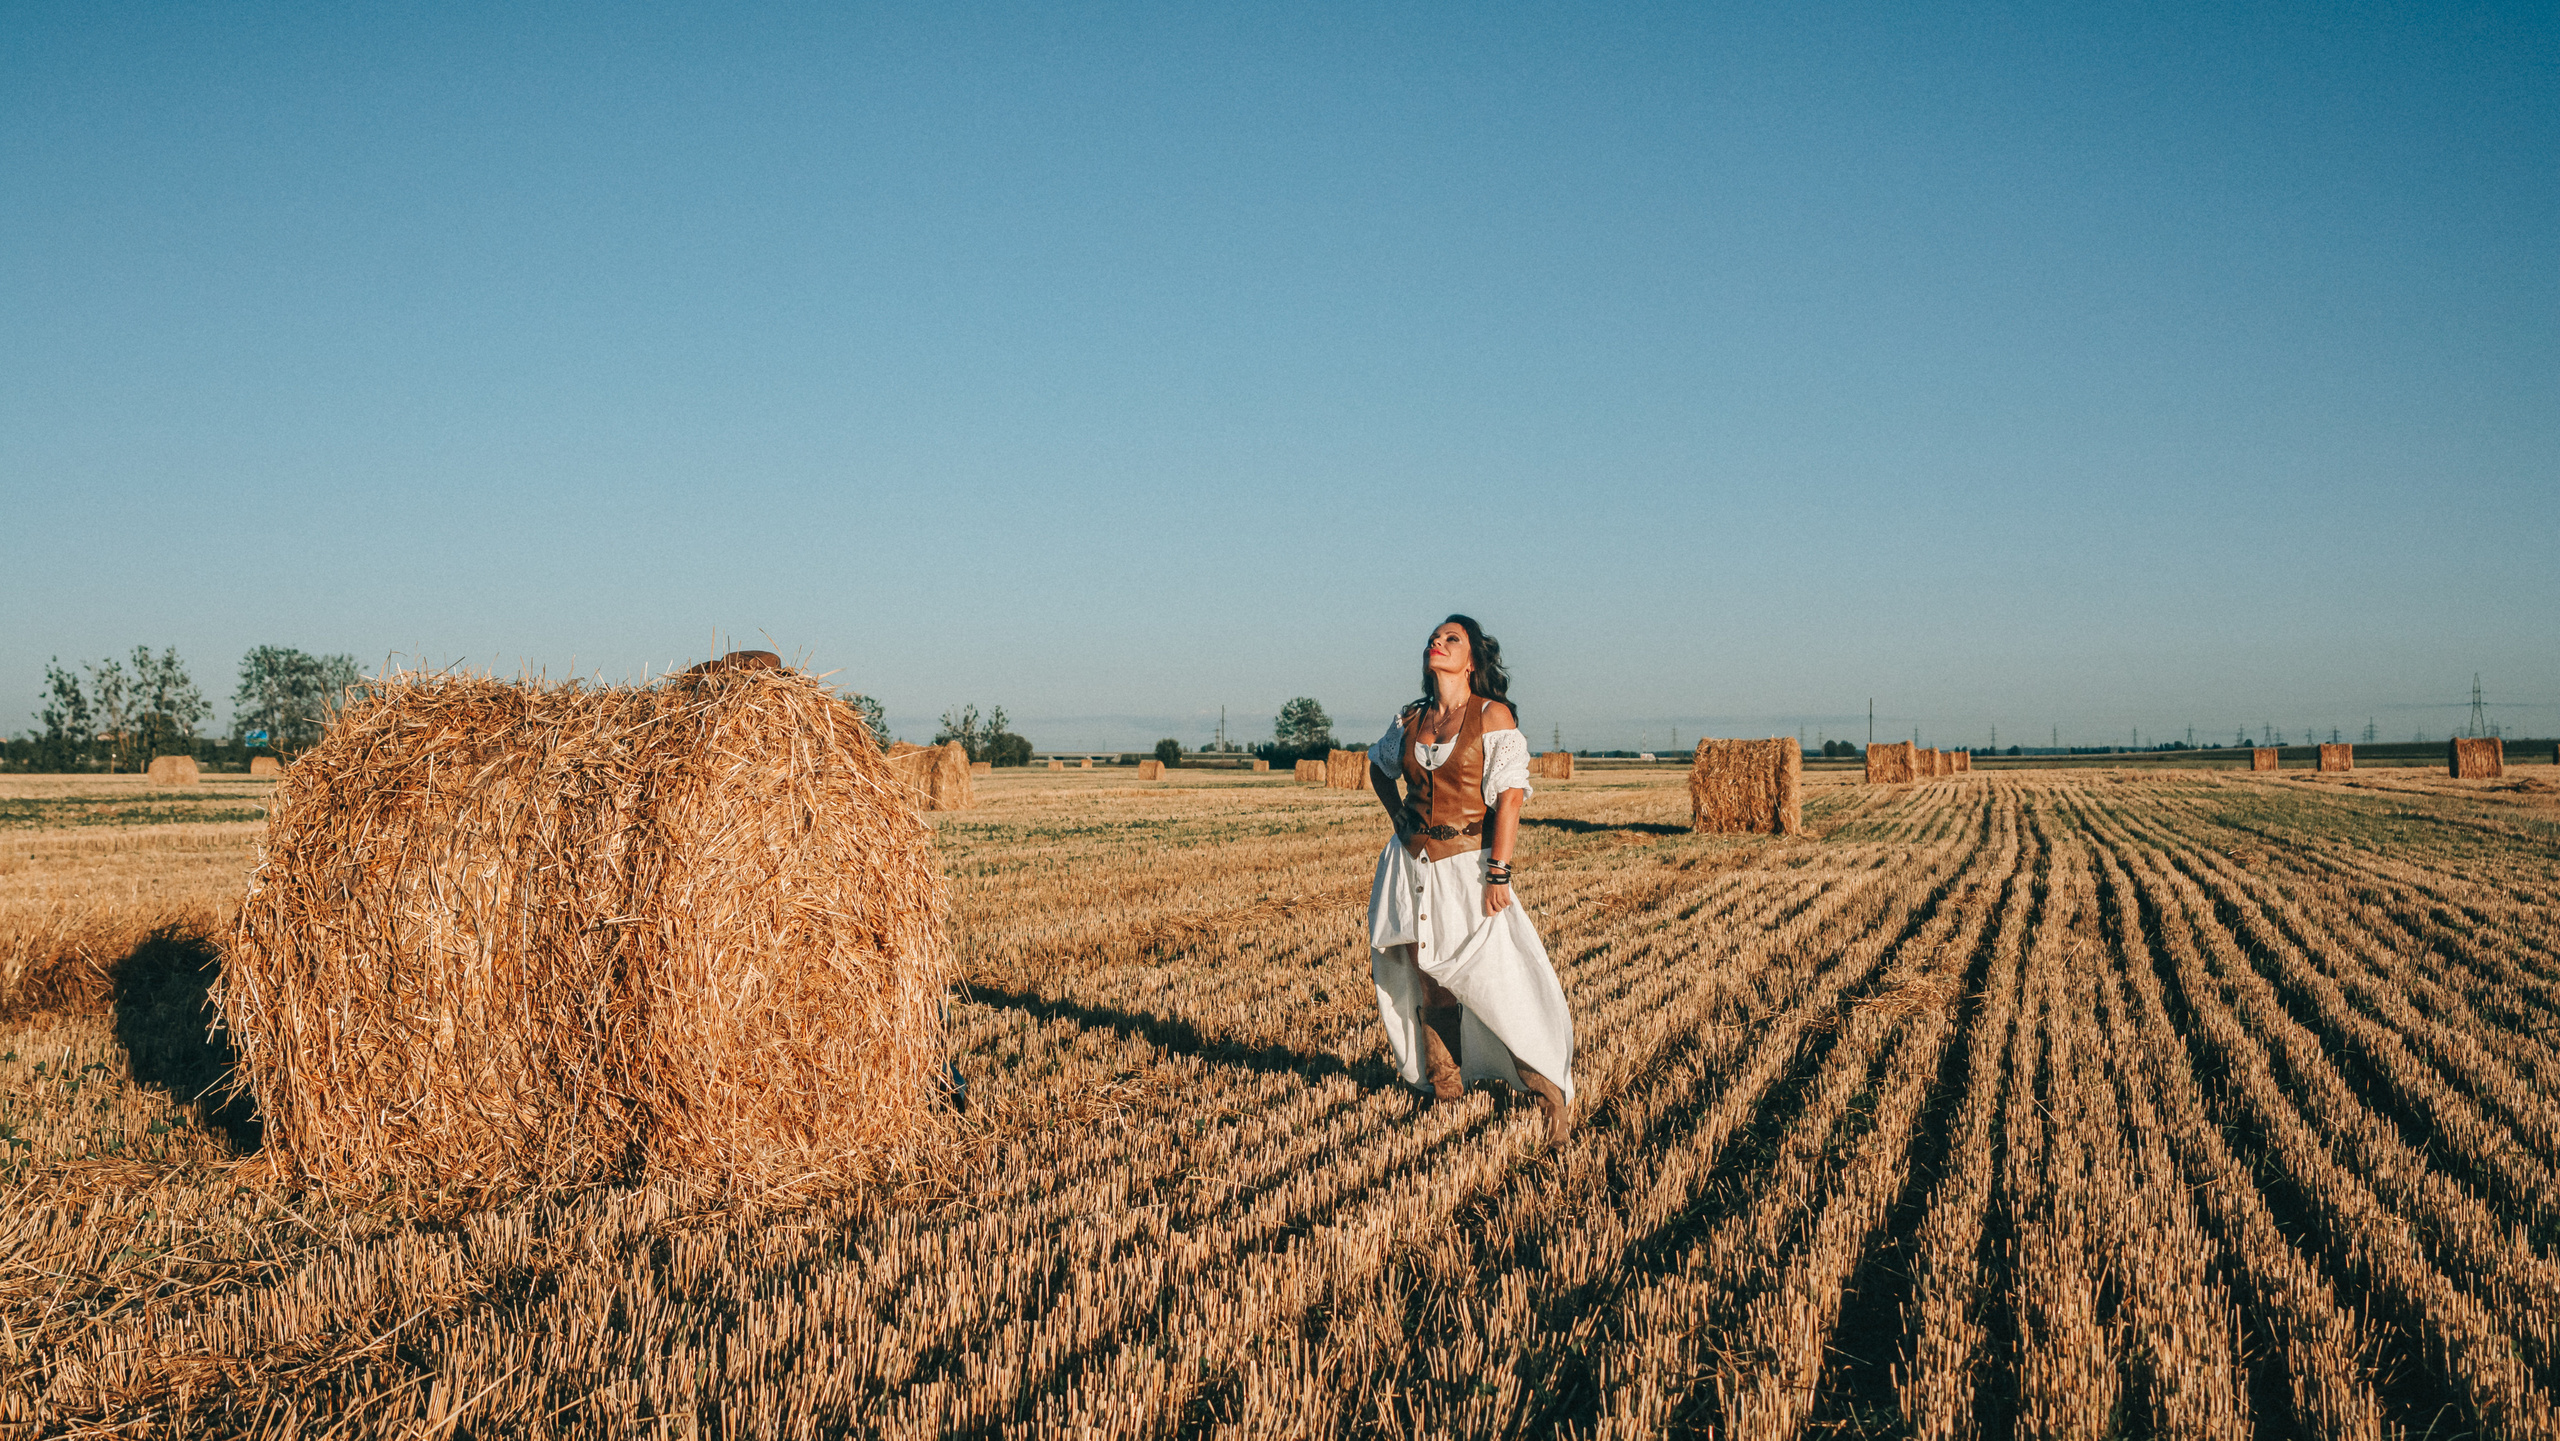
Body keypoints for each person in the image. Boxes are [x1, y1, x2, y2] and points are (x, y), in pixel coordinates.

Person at [1364, 614, 1576, 1146]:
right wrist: (1397, 816)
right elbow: (1377, 767)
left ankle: (1551, 1098)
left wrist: (1499, 871)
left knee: (1496, 981)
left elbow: (1510, 797)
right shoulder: (1411, 719)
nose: (1437, 642)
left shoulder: (1491, 715)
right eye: (1434, 638)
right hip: (1410, 865)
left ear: (1473, 660)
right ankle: (1446, 1091)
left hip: (1469, 865)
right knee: (1429, 981)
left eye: (1451, 639)